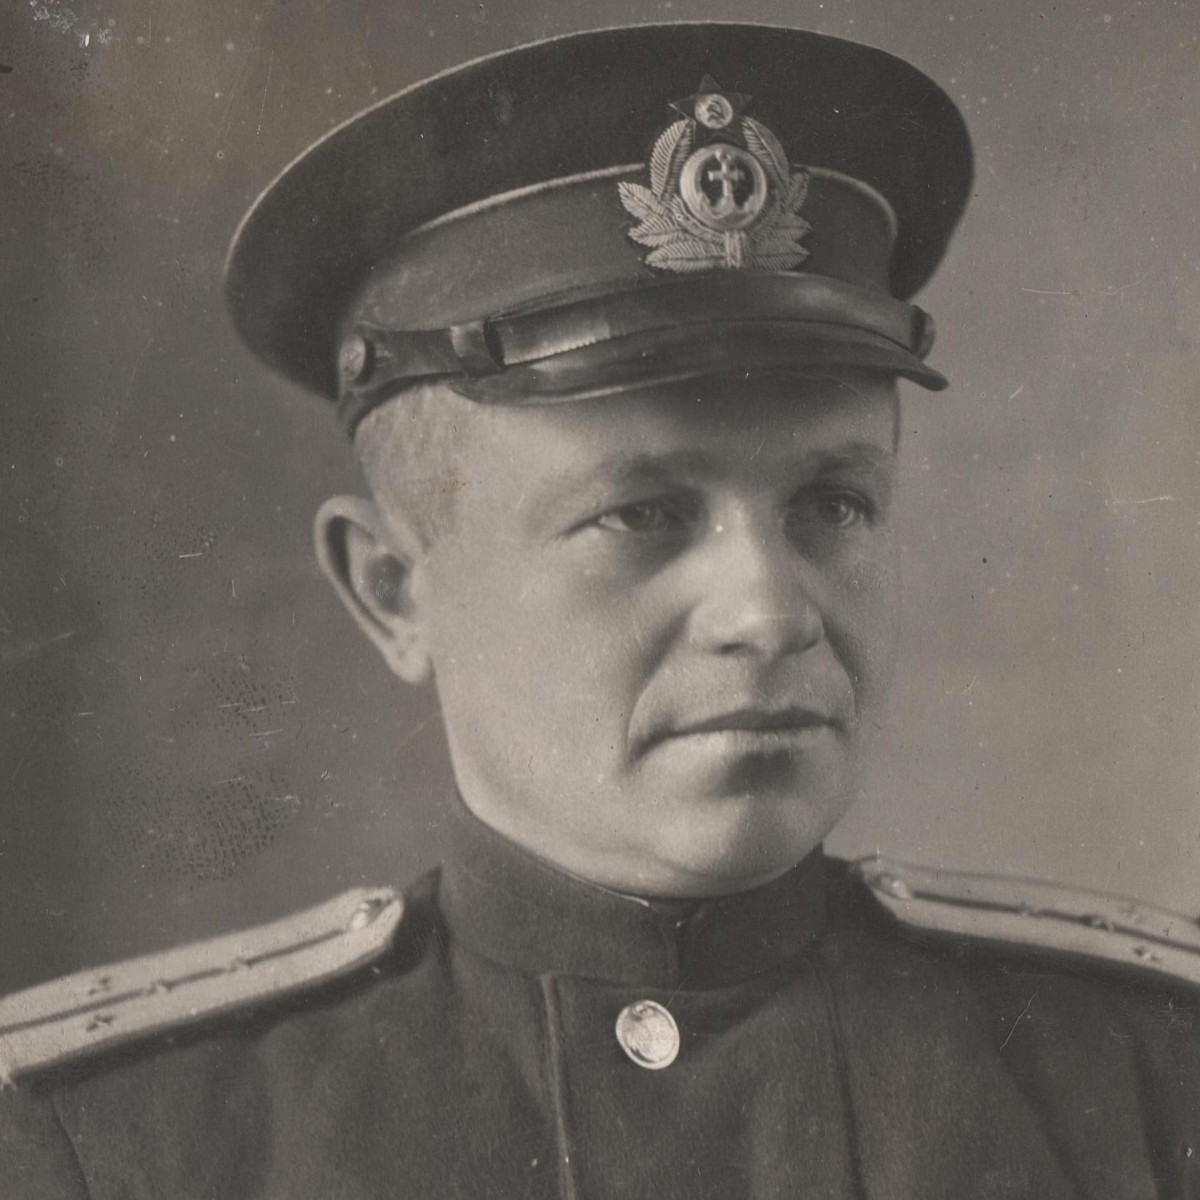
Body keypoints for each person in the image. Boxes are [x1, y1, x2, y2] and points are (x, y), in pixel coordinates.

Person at [2, 22, 1198, 1199]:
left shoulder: (1152, 1077)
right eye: (643, 516)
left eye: (832, 503)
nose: (770, 611)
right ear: (394, 591)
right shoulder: (114, 1148)